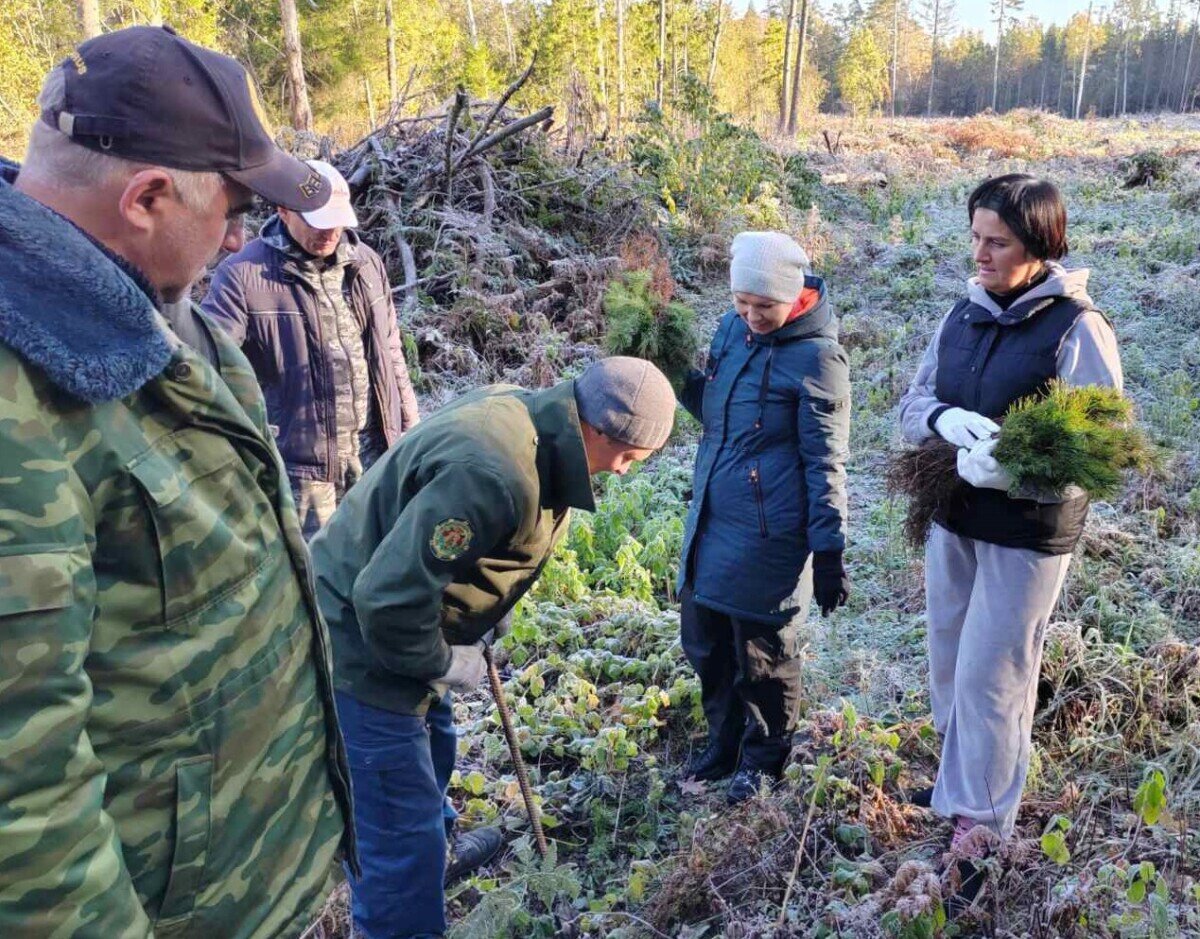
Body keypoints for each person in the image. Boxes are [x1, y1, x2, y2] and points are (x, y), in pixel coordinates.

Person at [0, 26, 357, 935]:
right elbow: (22, 789)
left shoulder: (163, 306)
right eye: (232, 205)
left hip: (255, 882)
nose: (241, 233)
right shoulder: (19, 402)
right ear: (148, 197)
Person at [309, 357, 676, 939]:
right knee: (396, 837)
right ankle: (404, 900)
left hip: (410, 628)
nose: (623, 472)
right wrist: (445, 663)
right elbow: (384, 602)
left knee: (436, 753)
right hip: (359, 648)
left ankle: (434, 853)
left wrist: (485, 611)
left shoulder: (539, 424)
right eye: (628, 458)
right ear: (599, 429)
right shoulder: (495, 471)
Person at [897, 175, 1122, 892]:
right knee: (948, 660)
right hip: (954, 515)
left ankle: (983, 829)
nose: (981, 254)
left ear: (1039, 245)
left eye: (997, 242)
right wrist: (942, 420)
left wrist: (1015, 470)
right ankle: (960, 785)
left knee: (993, 675)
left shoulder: (1075, 327)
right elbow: (912, 402)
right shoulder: (960, 317)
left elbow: (1101, 445)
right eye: (976, 238)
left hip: (1025, 532)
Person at [677, 231, 851, 805]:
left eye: (765, 306)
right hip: (712, 514)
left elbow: (825, 460)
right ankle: (724, 743)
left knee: (763, 654)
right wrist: (678, 375)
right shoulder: (731, 331)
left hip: (771, 530)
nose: (751, 316)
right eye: (741, 302)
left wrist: (829, 549)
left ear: (794, 294)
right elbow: (715, 414)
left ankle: (763, 759)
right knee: (706, 641)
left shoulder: (819, 359)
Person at [202, 158, 420, 539]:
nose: (330, 232)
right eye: (318, 222)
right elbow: (208, 369)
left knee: (377, 560)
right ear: (283, 210)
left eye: (337, 221)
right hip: (302, 475)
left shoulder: (367, 265)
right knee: (316, 567)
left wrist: (409, 426)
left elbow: (390, 349)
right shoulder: (242, 275)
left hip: (375, 455)